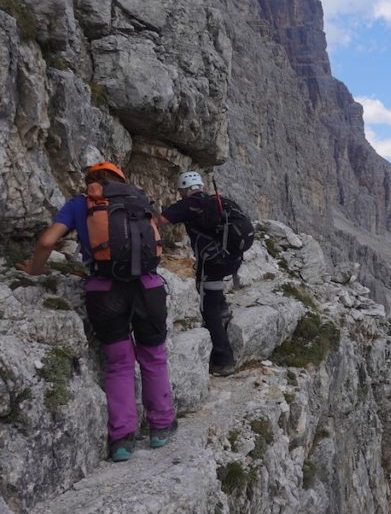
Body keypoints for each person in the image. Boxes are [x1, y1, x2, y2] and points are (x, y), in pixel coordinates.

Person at [17, 161, 177, 462]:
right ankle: (160, 428)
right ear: (121, 180)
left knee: (119, 363)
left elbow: (47, 241)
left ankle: (121, 441)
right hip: (149, 288)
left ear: (90, 182)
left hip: (104, 292)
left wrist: (35, 272)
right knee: (154, 356)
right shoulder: (138, 200)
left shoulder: (82, 204)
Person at [159, 170, 240, 377]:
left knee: (208, 309)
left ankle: (223, 360)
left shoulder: (187, 205)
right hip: (230, 260)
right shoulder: (219, 201)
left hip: (210, 263)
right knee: (215, 297)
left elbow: (161, 220)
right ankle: (223, 309)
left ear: (185, 189)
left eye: (181, 190)